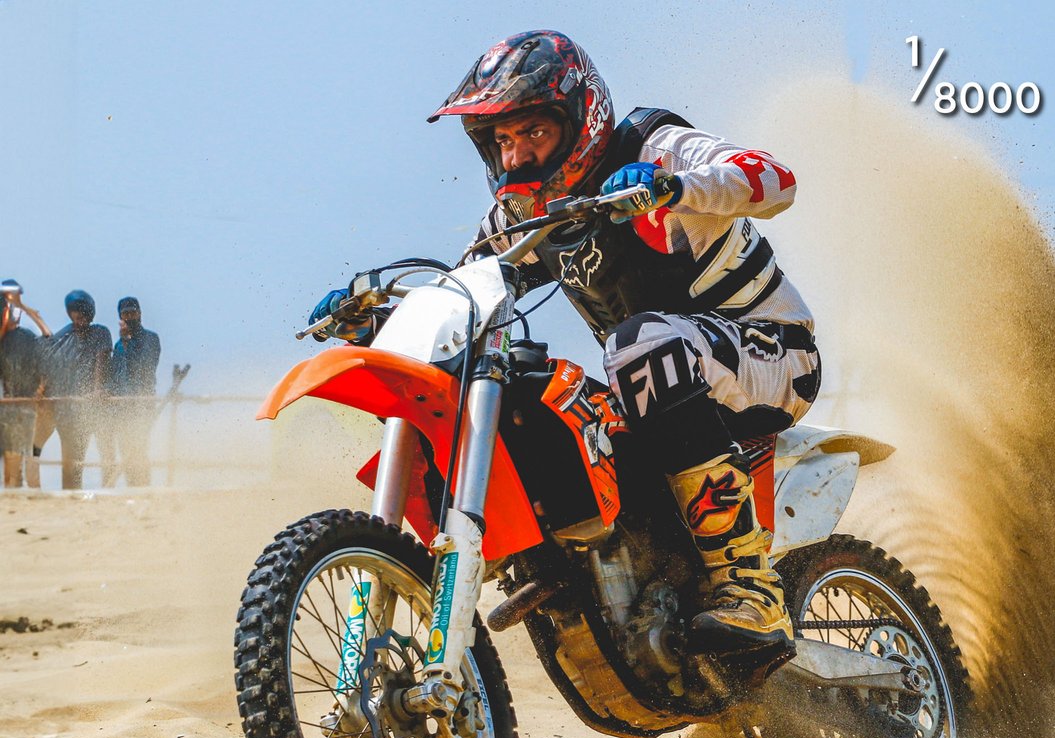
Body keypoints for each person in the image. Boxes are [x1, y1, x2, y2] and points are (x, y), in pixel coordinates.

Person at [312, 31, 818, 682]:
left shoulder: (654, 147)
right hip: (668, 384)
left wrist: (674, 187)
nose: (516, 153)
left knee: (641, 346)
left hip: (773, 352)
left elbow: (775, 181)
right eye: (501, 140)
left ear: (582, 115)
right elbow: (461, 295)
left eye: (532, 133)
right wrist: (379, 314)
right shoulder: (520, 217)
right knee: (564, 412)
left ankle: (748, 585)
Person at [41, 290, 113, 490]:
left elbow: (102, 359)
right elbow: (48, 364)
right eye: (75, 313)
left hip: (98, 406)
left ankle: (108, 494)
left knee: (106, 454)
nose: (79, 317)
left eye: (83, 313)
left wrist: (97, 389)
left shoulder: (100, 332)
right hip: (71, 410)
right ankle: (70, 496)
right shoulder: (62, 338)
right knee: (73, 460)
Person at [106, 296, 162, 487]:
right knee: (125, 450)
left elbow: (143, 367)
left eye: (133, 312)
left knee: (139, 449)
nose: (130, 317)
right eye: (126, 314)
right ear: (120, 317)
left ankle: (143, 488)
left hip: (141, 406)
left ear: (139, 313)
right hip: (121, 408)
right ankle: (132, 488)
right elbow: (115, 374)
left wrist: (129, 342)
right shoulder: (118, 345)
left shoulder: (151, 339)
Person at [0, 281, 50, 489]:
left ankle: (32, 491)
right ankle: (14, 491)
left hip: (26, 405)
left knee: (28, 452)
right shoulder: (4, 341)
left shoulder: (28, 338)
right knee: (12, 455)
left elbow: (46, 358)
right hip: (10, 406)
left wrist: (39, 391)